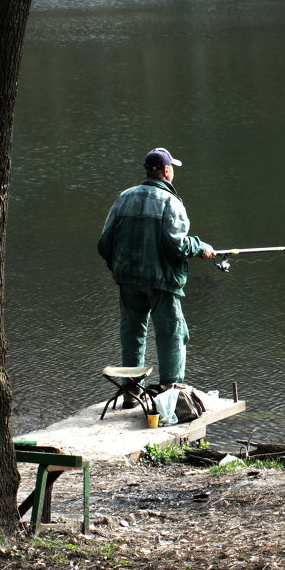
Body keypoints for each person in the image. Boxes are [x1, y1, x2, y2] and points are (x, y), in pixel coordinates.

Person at [98, 147, 215, 404]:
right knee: (172, 331)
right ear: (166, 171)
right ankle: (170, 392)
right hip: (161, 282)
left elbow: (105, 241)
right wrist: (200, 247)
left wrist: (113, 266)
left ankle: (131, 392)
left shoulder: (124, 198)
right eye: (172, 168)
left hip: (127, 279)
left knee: (132, 333)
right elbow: (176, 245)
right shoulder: (171, 203)